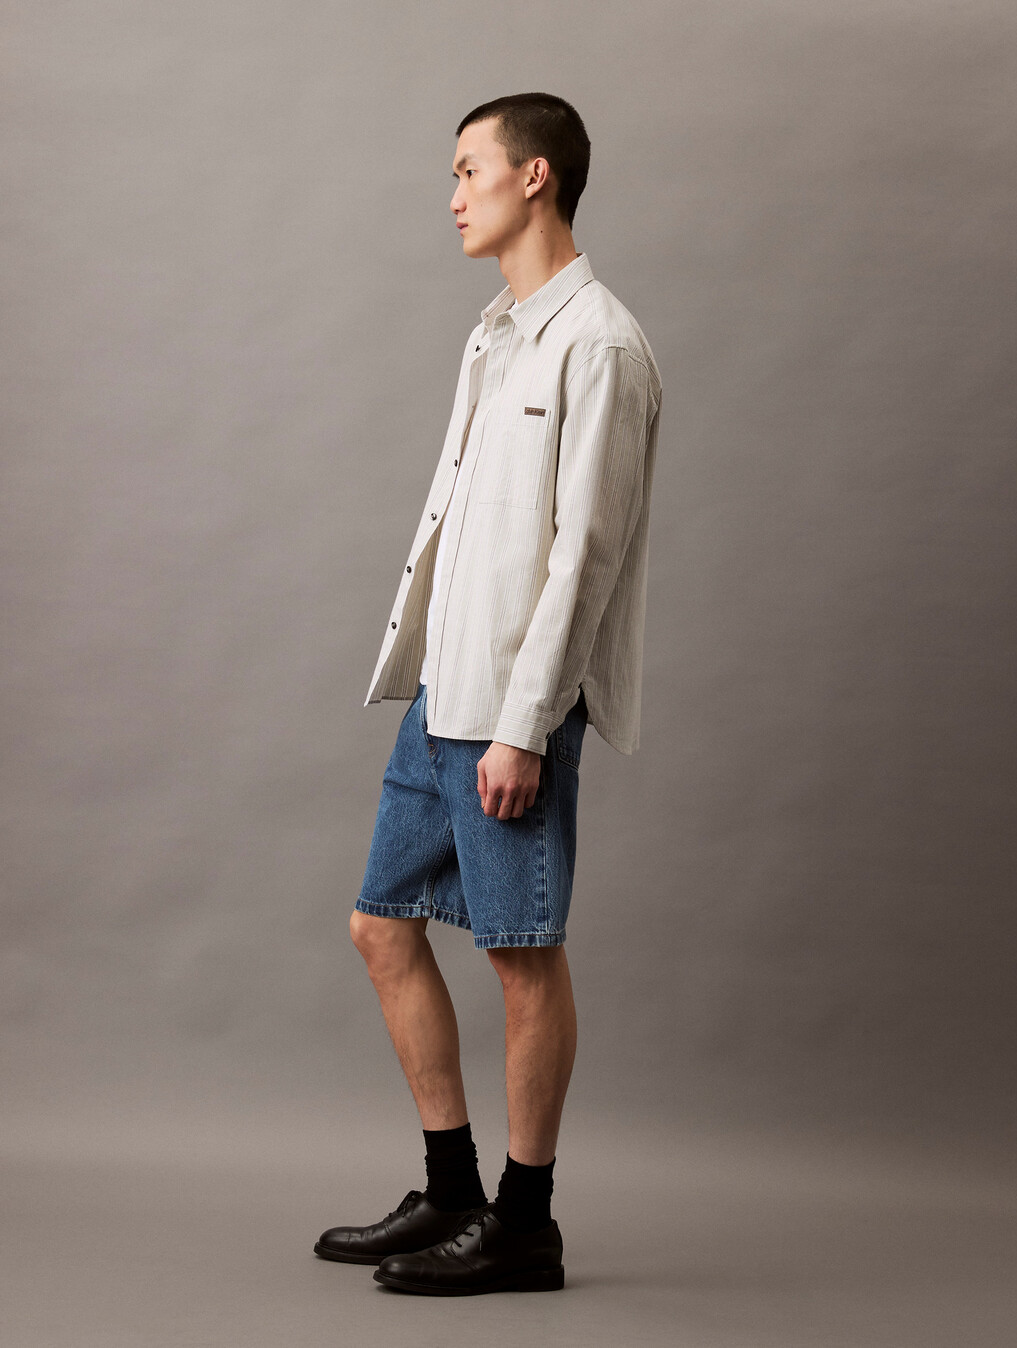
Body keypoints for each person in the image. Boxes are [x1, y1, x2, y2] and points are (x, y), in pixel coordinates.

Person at [315, 92, 662, 1296]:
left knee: (520, 952)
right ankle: (451, 1188)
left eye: (469, 168)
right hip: (441, 695)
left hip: (512, 712)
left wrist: (526, 727)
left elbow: (586, 558)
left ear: (535, 176)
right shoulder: (497, 335)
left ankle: (525, 1222)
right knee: (380, 924)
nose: (453, 193)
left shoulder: (598, 345)